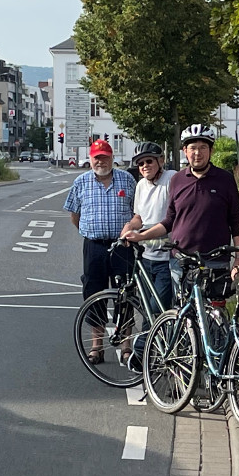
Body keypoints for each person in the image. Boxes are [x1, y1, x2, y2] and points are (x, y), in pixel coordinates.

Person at [125, 123, 239, 281]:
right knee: (180, 306)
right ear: (185, 151)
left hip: (215, 261)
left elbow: (236, 221)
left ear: (211, 151)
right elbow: (169, 221)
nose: (197, 153)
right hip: (180, 260)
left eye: (203, 147)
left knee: (214, 306)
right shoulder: (177, 180)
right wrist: (142, 236)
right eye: (193, 147)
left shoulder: (225, 179)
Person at [64, 139, 136, 362]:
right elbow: (74, 215)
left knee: (125, 294)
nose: (101, 161)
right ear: (91, 158)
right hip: (94, 246)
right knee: (94, 294)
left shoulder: (127, 180)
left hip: (122, 246)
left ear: (112, 158)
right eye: (97, 158)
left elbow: (137, 213)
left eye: (105, 157)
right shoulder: (81, 182)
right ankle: (97, 346)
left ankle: (126, 346)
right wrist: (90, 231)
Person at [120, 142, 177, 310]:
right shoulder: (141, 186)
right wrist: (129, 226)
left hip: (166, 259)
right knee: (146, 310)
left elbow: (173, 218)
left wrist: (142, 235)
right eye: (140, 163)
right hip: (146, 258)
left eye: (149, 161)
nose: (145, 166)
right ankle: (148, 336)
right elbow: (139, 217)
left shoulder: (172, 178)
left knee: (157, 308)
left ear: (161, 161)